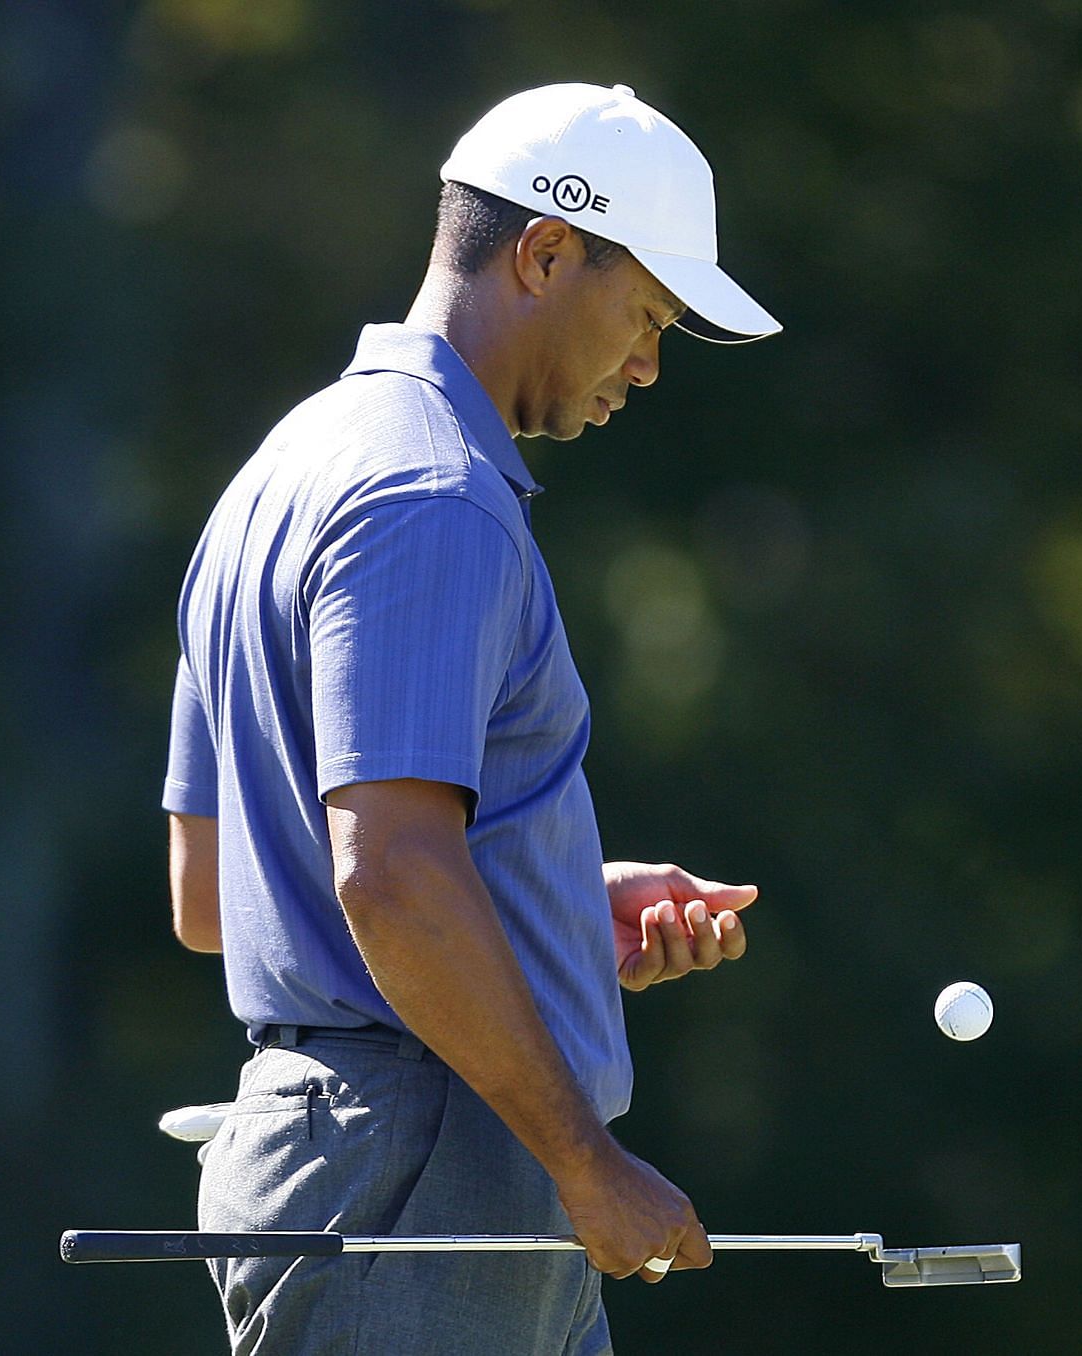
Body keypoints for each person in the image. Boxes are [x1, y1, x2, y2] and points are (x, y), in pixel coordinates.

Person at [160, 82, 781, 1354]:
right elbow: (387, 876)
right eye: (648, 315)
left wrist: (550, 902)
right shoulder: (431, 496)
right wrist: (584, 1160)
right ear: (548, 253)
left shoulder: (284, 467)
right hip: (430, 1170)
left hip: (381, 1164)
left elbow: (216, 896)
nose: (650, 365)